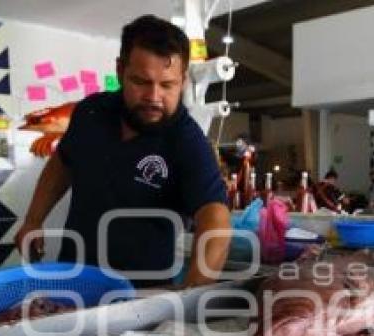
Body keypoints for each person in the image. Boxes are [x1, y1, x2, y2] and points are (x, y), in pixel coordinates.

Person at [15, 15, 230, 288]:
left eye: (167, 85)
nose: (154, 97)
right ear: (120, 71)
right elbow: (63, 162)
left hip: (140, 295)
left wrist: (190, 300)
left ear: (183, 81)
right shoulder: (90, 112)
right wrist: (33, 220)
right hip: (72, 277)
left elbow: (216, 219)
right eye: (140, 82)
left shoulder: (187, 141)